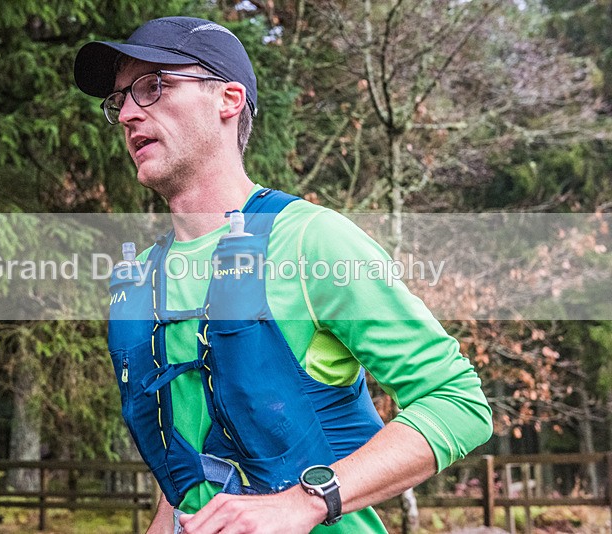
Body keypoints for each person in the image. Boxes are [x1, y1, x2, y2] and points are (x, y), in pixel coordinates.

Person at [74, 16, 492, 534]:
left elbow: (458, 402)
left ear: (227, 99)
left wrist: (305, 501)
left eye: (153, 86)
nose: (129, 113)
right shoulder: (145, 279)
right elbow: (189, 464)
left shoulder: (311, 241)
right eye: (120, 101)